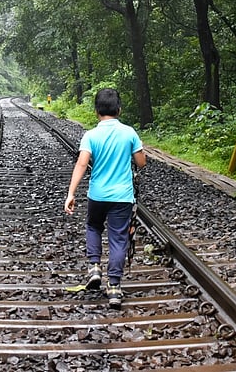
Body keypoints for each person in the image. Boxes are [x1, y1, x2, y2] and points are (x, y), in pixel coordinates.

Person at [64, 88, 146, 309]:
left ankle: (94, 267)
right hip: (122, 197)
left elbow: (82, 164)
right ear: (119, 109)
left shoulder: (91, 135)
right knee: (119, 239)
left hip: (97, 194)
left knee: (93, 226)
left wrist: (71, 193)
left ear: (96, 111)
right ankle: (115, 288)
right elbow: (141, 163)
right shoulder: (129, 133)